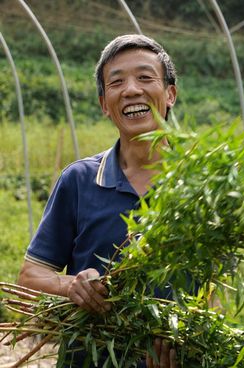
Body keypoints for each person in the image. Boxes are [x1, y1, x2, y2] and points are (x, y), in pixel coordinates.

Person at [18, 34, 178, 368]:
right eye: (116, 82)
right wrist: (71, 286)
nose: (131, 89)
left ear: (170, 94)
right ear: (105, 104)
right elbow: (31, 276)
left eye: (145, 78)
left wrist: (192, 346)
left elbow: (216, 291)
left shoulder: (197, 186)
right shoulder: (78, 181)